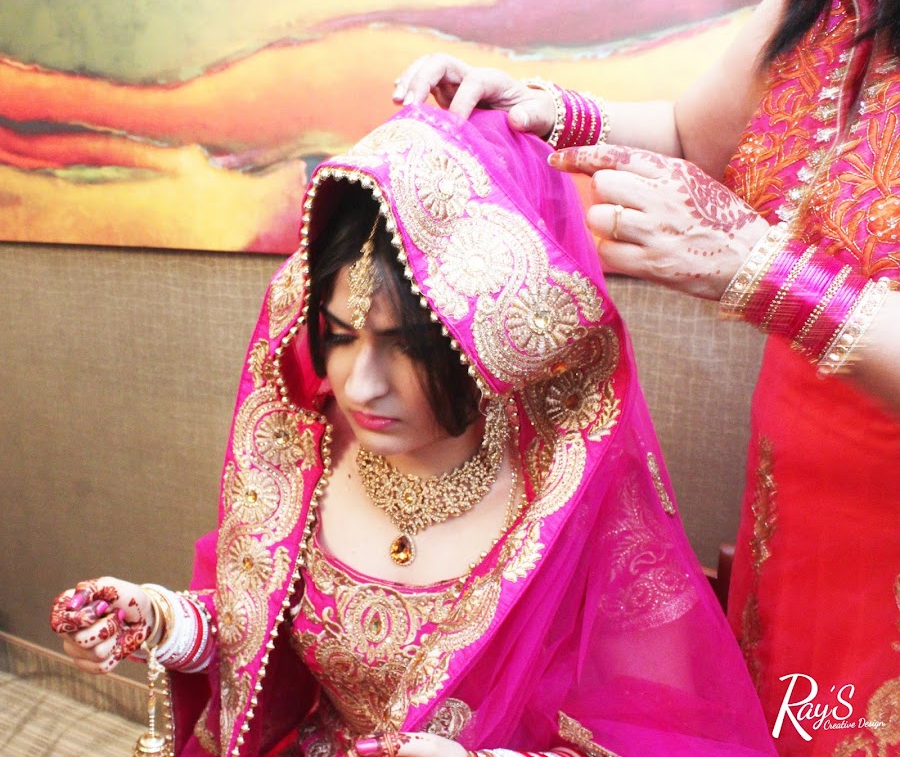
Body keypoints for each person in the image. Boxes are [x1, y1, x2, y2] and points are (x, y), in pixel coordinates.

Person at [49, 105, 777, 757]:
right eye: (339, 336)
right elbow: (260, 636)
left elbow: (658, 733)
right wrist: (160, 620)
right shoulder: (308, 446)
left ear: (487, 341)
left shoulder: (574, 497)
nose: (359, 386)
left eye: (407, 348)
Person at [392, 0, 900, 755]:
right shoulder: (829, 0)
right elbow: (692, 136)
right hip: (795, 504)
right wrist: (543, 109)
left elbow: (764, 263)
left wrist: (762, 273)